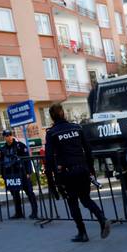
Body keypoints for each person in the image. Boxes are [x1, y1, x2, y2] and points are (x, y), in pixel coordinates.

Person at [45, 103, 111, 242]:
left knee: (72, 203)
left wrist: (52, 182)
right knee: (86, 199)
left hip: (67, 173)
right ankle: (102, 218)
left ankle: (82, 233)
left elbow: (49, 159)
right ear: (64, 113)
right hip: (82, 169)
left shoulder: (52, 133)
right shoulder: (77, 128)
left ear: (52, 116)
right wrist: (90, 170)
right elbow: (88, 150)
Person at [0, 129, 38, 219]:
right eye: (6, 135)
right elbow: (2, 163)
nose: (8, 137)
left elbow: (27, 159)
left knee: (29, 192)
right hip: (11, 175)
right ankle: (19, 213)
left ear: (12, 135)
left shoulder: (20, 146)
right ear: (4, 137)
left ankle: (35, 212)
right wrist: (4, 176)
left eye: (9, 135)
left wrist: (28, 172)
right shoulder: (3, 149)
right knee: (15, 194)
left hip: (22, 173)